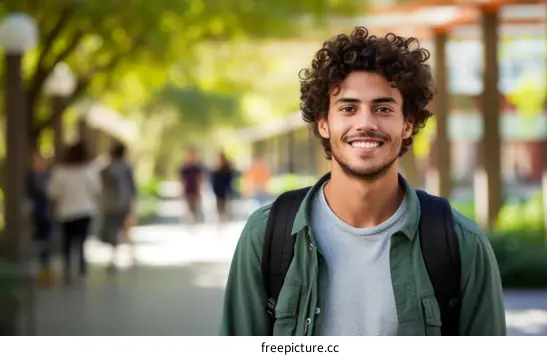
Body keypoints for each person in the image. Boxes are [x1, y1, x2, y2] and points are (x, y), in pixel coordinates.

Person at [220, 27, 506, 336]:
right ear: (324, 123)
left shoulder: (461, 243)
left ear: (407, 125)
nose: (366, 123)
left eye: (383, 109)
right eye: (348, 108)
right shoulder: (267, 235)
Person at [47, 141, 100, 285]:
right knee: (81, 242)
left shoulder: (61, 171)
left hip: (66, 211)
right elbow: (96, 190)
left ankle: (67, 270)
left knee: (67, 242)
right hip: (85, 210)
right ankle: (82, 271)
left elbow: (53, 192)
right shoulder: (89, 170)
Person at [99, 142, 138, 272]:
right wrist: (133, 203)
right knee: (126, 229)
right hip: (123, 203)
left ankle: (113, 259)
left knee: (113, 231)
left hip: (110, 204)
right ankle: (132, 255)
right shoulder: (126, 167)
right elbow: (132, 187)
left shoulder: (106, 168)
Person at [26, 152, 55, 286]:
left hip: (47, 213)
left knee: (46, 241)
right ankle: (39, 271)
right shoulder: (30, 177)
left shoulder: (49, 176)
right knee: (38, 241)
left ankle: (46, 271)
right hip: (36, 213)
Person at [179, 147, 204, 224]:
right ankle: (189, 222)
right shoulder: (184, 168)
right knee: (188, 207)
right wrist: (181, 190)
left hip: (195, 191)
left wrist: (200, 191)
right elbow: (181, 180)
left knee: (195, 208)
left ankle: (194, 222)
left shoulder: (197, 167)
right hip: (187, 190)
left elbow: (200, 180)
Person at [211, 151, 235, 223]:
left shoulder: (228, 170)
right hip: (219, 193)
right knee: (220, 209)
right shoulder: (216, 170)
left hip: (226, 192)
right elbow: (214, 182)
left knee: (226, 209)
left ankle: (225, 221)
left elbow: (230, 181)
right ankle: (221, 222)